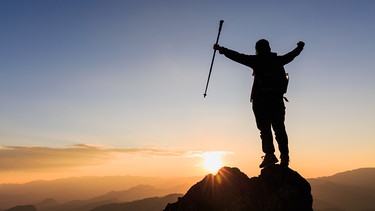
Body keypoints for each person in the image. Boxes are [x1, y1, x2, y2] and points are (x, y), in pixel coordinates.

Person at [214, 39, 305, 168]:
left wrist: (221, 49)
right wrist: (300, 47)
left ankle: (269, 155)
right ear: (268, 48)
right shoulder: (278, 60)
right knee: (279, 129)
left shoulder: (256, 61)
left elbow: (238, 56)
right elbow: (293, 55)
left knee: (265, 129)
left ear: (257, 49)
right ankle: (285, 157)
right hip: (276, 100)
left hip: (260, 101)